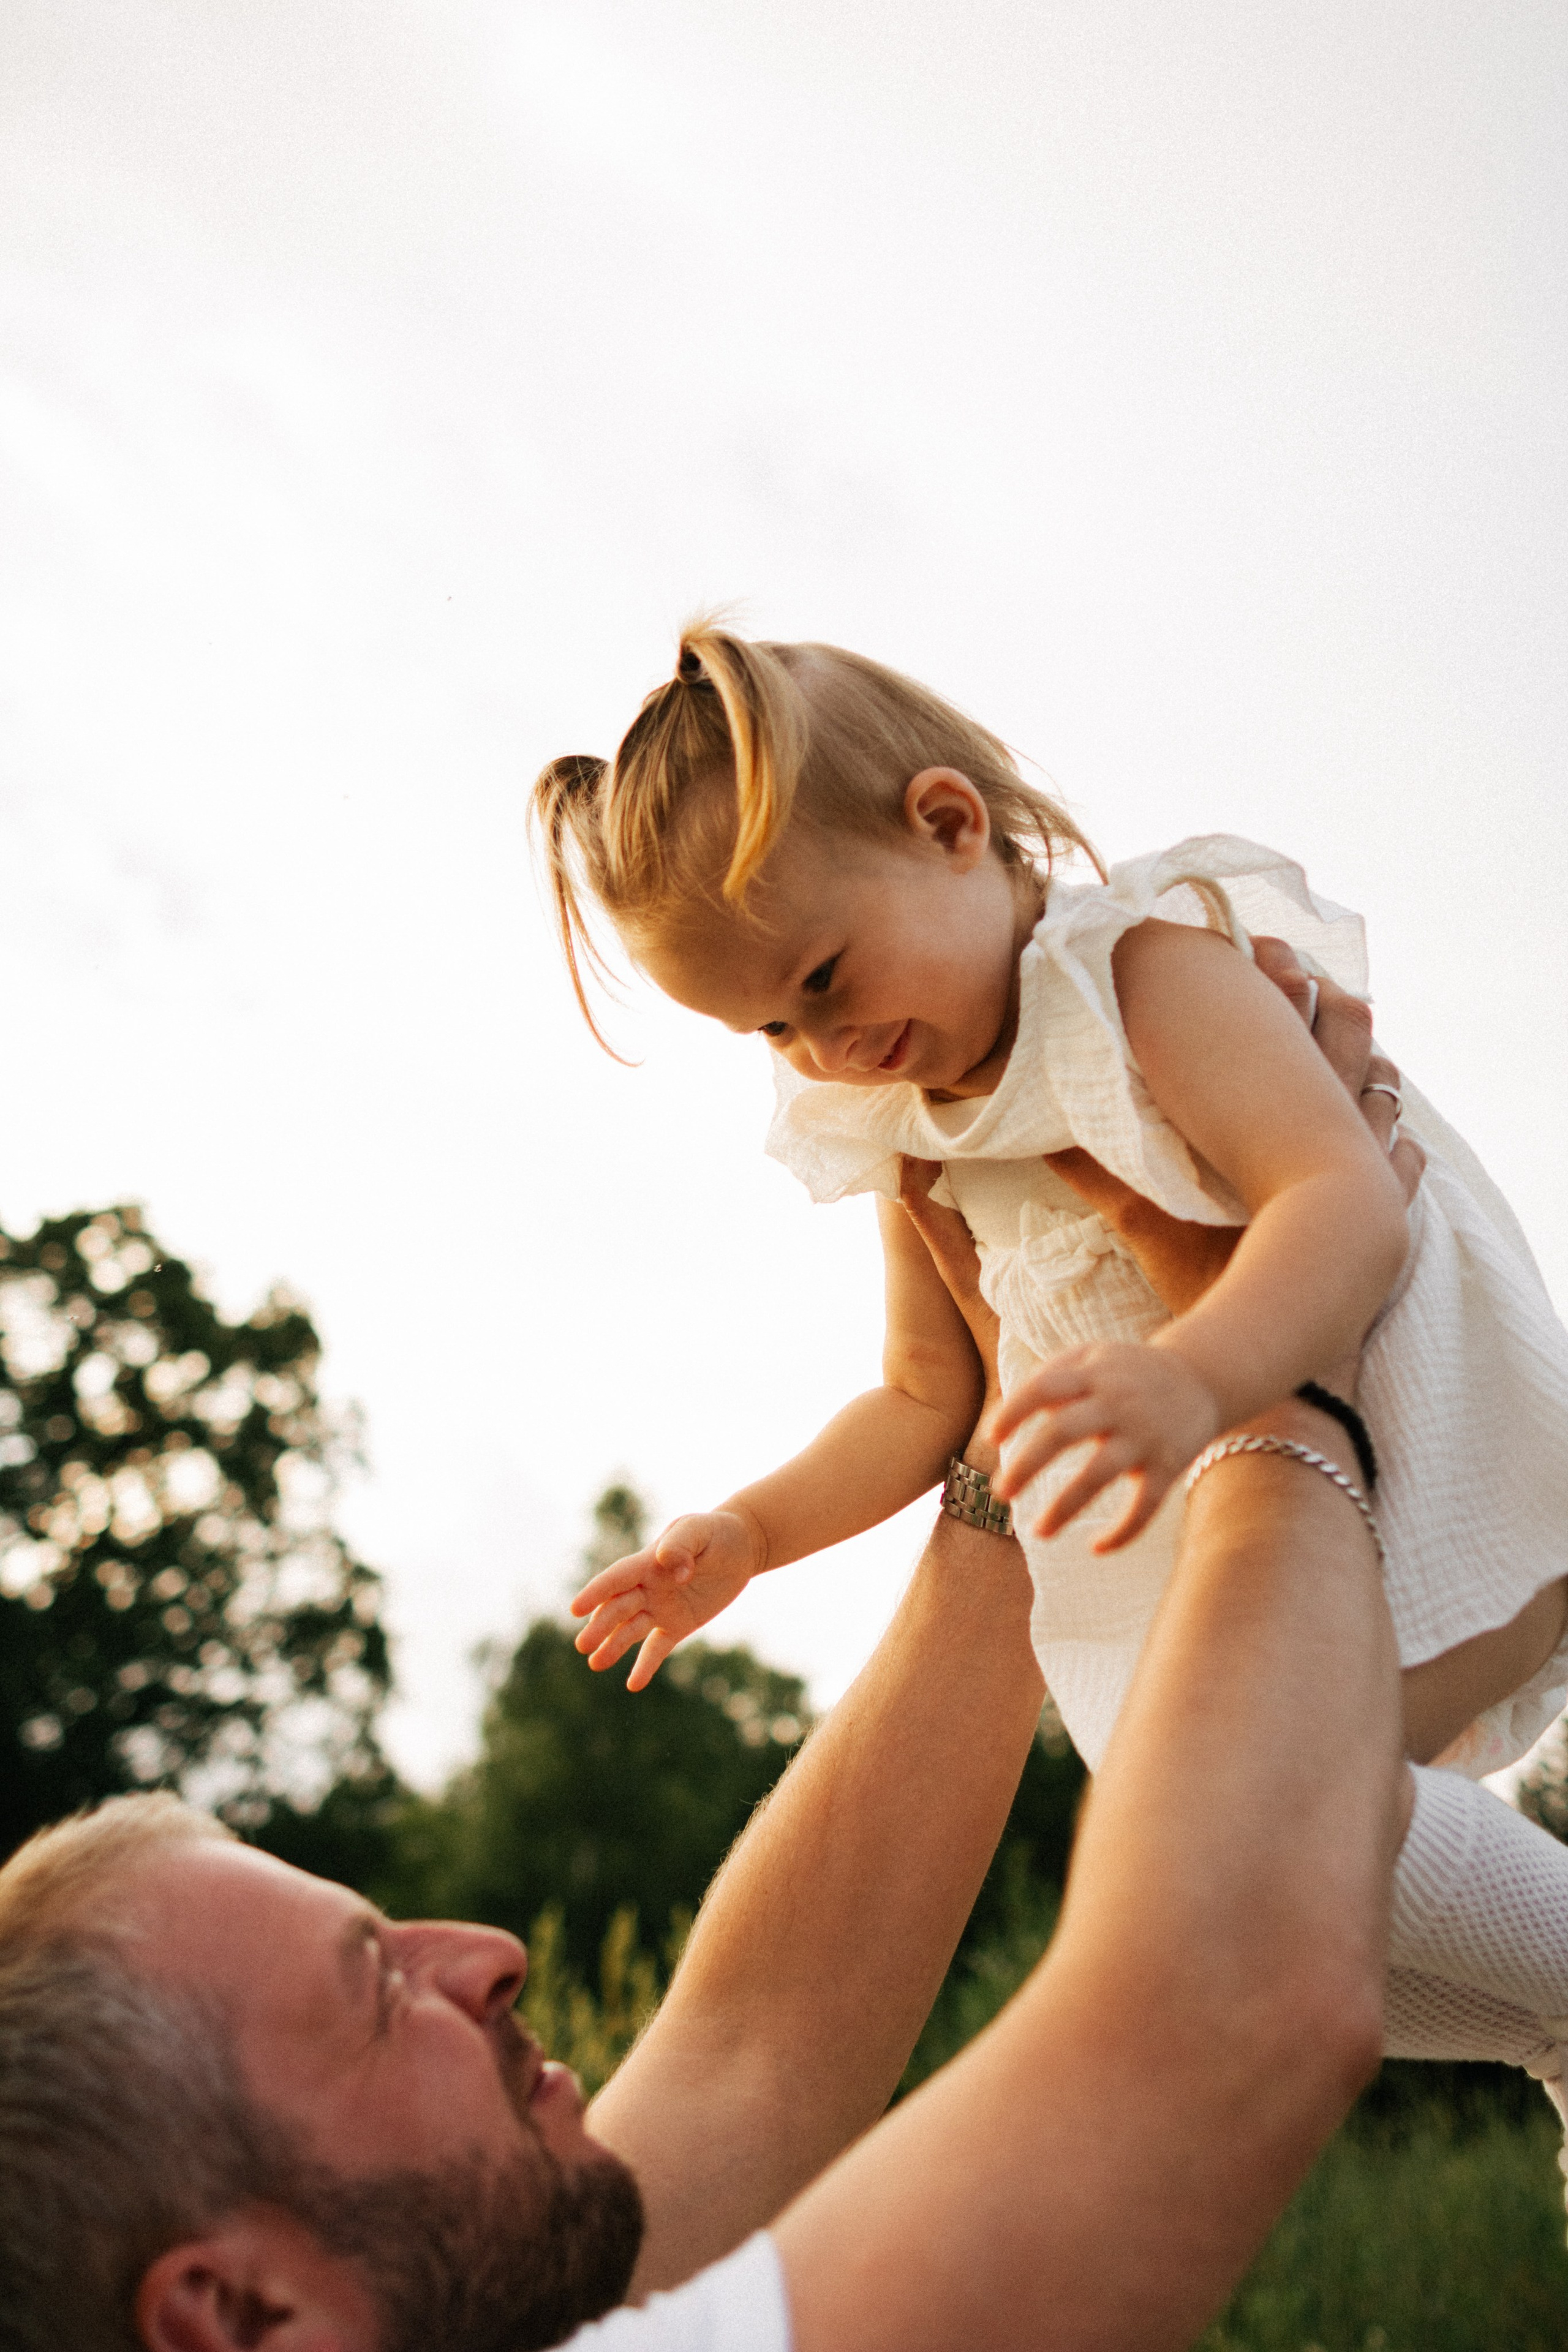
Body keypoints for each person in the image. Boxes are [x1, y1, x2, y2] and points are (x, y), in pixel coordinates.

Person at [1, 980, 1409, 2348]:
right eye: (374, 1993)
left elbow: (758, 2059)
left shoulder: (494, 2288)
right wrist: (1282, 1373)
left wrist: (1009, 1459)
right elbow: (1239, 2000)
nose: (487, 1957)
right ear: (238, 2312)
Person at [537, 624, 1568, 2107]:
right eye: (770, 1025)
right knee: (1241, 1932)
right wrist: (753, 1534)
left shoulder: (1135, 979)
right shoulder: (906, 1134)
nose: (822, 1047)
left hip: (1420, 1460)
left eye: (822, 975)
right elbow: (918, 1398)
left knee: (1253, 1817)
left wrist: (1196, 1378)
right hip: (1212, 1553)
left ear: (950, 825)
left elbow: (1340, 1201)